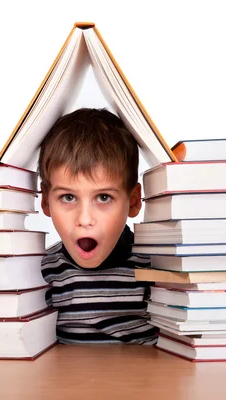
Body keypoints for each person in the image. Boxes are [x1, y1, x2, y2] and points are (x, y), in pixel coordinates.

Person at [38, 107, 158, 344]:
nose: (84, 219)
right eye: (68, 197)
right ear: (45, 201)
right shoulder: (42, 273)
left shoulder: (155, 269)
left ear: (133, 202)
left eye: (103, 197)